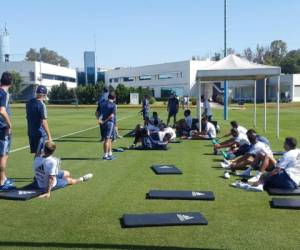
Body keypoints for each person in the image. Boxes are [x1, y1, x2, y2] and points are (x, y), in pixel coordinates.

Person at [233, 137, 300, 192]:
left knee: (264, 175)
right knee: (268, 179)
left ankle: (258, 185)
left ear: (287, 145)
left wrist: (264, 177)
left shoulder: (288, 154)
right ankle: (256, 183)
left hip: (288, 181)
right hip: (296, 182)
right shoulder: (298, 151)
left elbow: (277, 170)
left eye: (284, 143)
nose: (283, 145)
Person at [26, 85, 52, 158]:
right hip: (40, 134)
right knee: (41, 154)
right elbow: (44, 121)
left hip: (31, 132)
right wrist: (49, 136)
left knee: (37, 154)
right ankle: (38, 169)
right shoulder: (41, 105)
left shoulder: (29, 103)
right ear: (44, 94)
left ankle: (37, 168)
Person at [0, 72, 14, 190]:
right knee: (3, 155)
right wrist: (9, 125)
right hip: (3, 128)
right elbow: (2, 111)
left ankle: (3, 177)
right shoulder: (4, 93)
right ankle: (2, 181)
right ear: (11, 82)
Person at [99, 93, 117, 160]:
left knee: (109, 139)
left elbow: (99, 113)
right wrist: (104, 121)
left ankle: (110, 153)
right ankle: (105, 155)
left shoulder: (102, 104)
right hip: (109, 123)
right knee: (107, 139)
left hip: (103, 123)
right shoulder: (113, 105)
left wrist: (100, 120)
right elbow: (112, 116)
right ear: (114, 98)